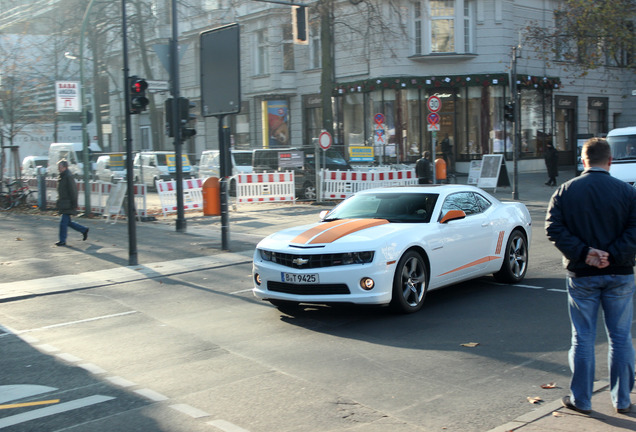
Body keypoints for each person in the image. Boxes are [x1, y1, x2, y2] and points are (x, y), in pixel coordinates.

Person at [545, 137, 636, 415]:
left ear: (583, 160)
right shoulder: (627, 191)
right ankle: (622, 400)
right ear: (609, 161)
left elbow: (553, 228)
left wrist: (585, 253)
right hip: (619, 273)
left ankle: (581, 400)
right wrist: (613, 254)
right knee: (620, 337)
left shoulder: (565, 191)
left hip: (581, 274)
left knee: (582, 337)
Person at [56, 159, 89, 246]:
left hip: (68, 203)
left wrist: (74, 203)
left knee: (63, 223)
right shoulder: (62, 176)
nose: (58, 169)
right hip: (64, 203)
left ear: (65, 167)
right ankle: (84, 230)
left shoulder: (67, 176)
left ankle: (62, 240)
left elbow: (73, 190)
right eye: (58, 167)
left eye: (60, 167)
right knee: (68, 222)